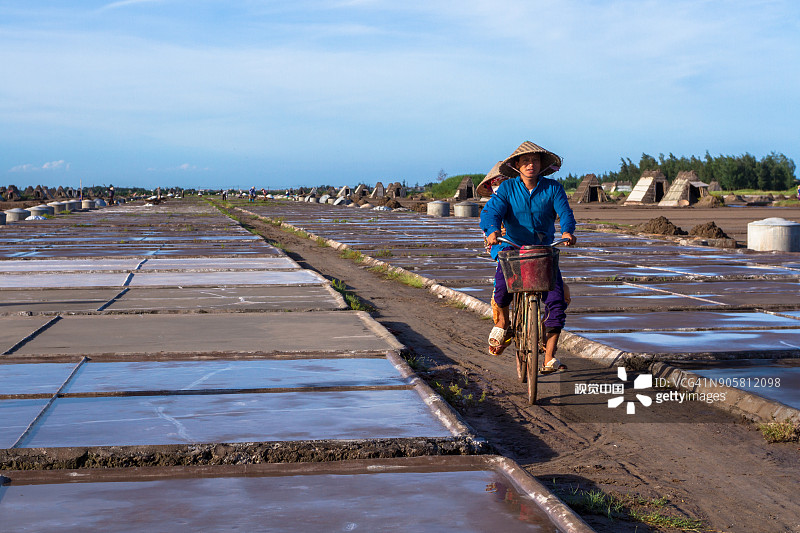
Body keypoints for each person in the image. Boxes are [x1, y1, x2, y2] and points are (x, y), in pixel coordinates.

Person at [480, 141, 576, 373]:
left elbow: (565, 212)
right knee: (501, 290)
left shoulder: (553, 189)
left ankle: (549, 356)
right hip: (513, 249)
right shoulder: (507, 189)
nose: (530, 165)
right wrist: (492, 230)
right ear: (517, 166)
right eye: (525, 161)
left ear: (542, 165)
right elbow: (492, 211)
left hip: (543, 250)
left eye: (534, 160)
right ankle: (504, 324)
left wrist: (567, 232)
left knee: (557, 301)